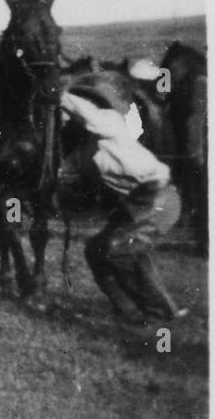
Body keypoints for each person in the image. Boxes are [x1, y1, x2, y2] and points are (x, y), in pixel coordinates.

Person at [59, 89, 186, 321]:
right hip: (133, 205)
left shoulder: (109, 123)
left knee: (117, 249)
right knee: (96, 250)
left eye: (66, 116)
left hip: (159, 196)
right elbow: (59, 178)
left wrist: (58, 94)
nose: (64, 122)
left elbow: (87, 114)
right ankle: (130, 312)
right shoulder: (79, 156)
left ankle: (161, 312)